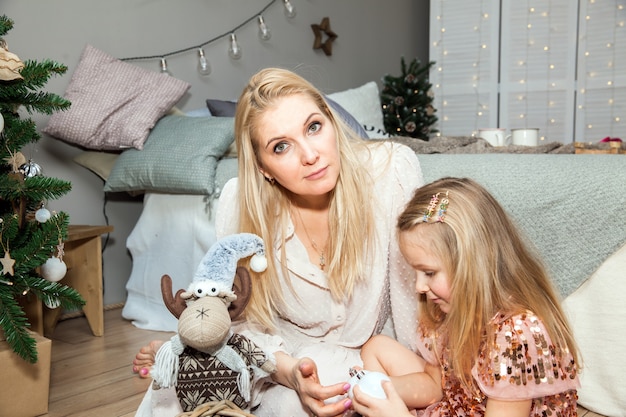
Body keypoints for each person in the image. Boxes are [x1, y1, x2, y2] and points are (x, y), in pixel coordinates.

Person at [133, 67, 424, 417]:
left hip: (360, 360)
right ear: (263, 167)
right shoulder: (237, 201)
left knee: (291, 407)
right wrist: (289, 373)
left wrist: (425, 378)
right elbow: (241, 323)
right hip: (274, 359)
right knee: (173, 395)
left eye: (314, 127)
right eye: (281, 146)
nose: (310, 155)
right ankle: (187, 353)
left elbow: (414, 299)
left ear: (331, 122)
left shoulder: (391, 170)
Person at [349, 177, 581, 417]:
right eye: (414, 271)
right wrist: (381, 388)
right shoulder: (448, 308)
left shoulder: (517, 333)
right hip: (459, 406)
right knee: (376, 347)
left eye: (429, 272)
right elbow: (435, 383)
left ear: (472, 264)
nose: (419, 286)